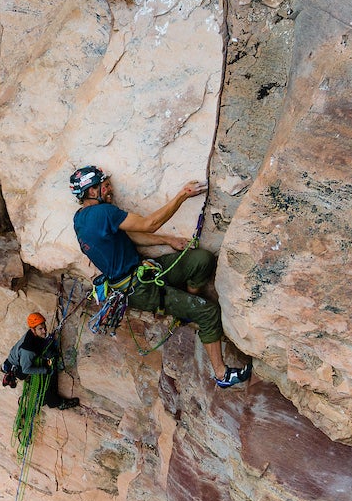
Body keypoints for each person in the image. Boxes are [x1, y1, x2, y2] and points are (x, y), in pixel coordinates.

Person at [70, 165, 251, 388]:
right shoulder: (103, 213)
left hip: (144, 273)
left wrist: (167, 241)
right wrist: (182, 196)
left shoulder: (80, 219)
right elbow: (150, 224)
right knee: (209, 312)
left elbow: (130, 236)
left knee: (201, 260)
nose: (109, 190)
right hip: (139, 289)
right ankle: (222, 374)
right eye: (105, 186)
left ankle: (185, 309)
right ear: (92, 191)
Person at [4, 312, 80, 409]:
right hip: (21, 368)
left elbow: (40, 346)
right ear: (33, 330)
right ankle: (55, 402)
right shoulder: (28, 349)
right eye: (40, 329)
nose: (44, 331)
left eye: (44, 327)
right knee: (51, 373)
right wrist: (45, 370)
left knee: (50, 362)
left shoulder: (33, 335)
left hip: (20, 361)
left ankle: (42, 397)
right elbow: (26, 369)